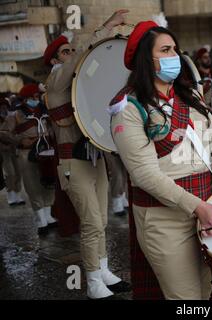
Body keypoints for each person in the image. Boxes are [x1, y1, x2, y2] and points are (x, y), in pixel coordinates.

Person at [110, 21, 212, 299]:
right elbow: (144, 174)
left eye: (175, 49)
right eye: (165, 50)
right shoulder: (128, 108)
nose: (175, 56)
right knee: (185, 297)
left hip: (208, 205)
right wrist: (197, 208)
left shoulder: (188, 95)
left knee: (208, 290)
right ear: (146, 59)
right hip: (165, 219)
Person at [44, 10, 131, 299]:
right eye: (65, 52)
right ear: (56, 61)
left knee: (102, 221)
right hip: (73, 162)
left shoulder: (79, 88)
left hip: (94, 158)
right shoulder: (56, 81)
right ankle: (93, 281)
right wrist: (107, 26)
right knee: (92, 221)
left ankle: (102, 270)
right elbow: (85, 54)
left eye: (71, 50)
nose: (71, 54)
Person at [12, 84, 55, 235]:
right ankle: (40, 220)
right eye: (34, 97)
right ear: (26, 99)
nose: (36, 100)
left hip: (45, 151)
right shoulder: (16, 114)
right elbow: (4, 133)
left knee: (49, 183)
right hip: (26, 154)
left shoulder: (44, 111)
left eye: (37, 97)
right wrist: (19, 141)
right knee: (32, 185)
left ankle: (48, 216)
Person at [0, 97, 25, 206]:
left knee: (18, 172)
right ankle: (11, 195)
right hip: (3, 151)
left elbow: (16, 131)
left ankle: (18, 195)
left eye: (5, 106)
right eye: (1, 106)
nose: (3, 108)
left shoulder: (12, 117)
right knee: (10, 173)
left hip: (14, 149)